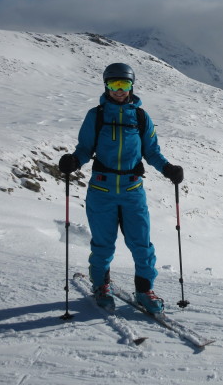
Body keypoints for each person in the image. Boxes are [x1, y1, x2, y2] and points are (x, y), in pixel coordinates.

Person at [58, 62, 184, 314]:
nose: (119, 90)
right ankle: (101, 285)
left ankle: (144, 289)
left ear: (131, 86)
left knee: (141, 243)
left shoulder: (140, 117)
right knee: (104, 244)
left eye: (124, 84)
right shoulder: (97, 115)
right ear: (106, 85)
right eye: (114, 84)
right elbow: (84, 148)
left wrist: (168, 168)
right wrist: (73, 160)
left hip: (132, 191)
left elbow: (152, 152)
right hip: (101, 191)